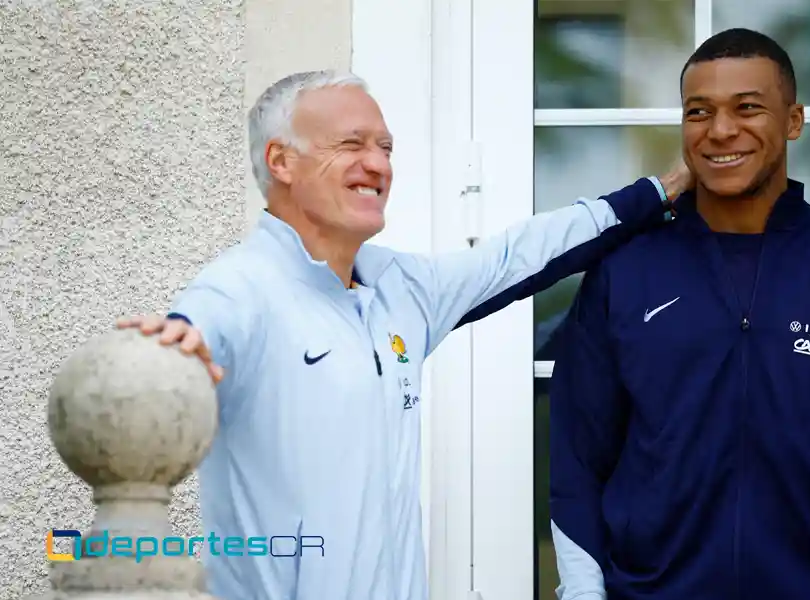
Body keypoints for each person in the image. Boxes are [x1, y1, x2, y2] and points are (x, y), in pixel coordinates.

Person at [115, 70, 693, 600]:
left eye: (385, 147)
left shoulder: (401, 286)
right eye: (352, 144)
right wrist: (179, 342)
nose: (378, 164)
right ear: (281, 162)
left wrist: (662, 191)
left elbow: (523, 255)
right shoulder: (240, 287)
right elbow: (200, 326)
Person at [548, 28, 810, 600]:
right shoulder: (626, 270)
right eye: (699, 111)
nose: (720, 130)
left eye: (748, 108)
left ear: (793, 120)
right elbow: (577, 460)